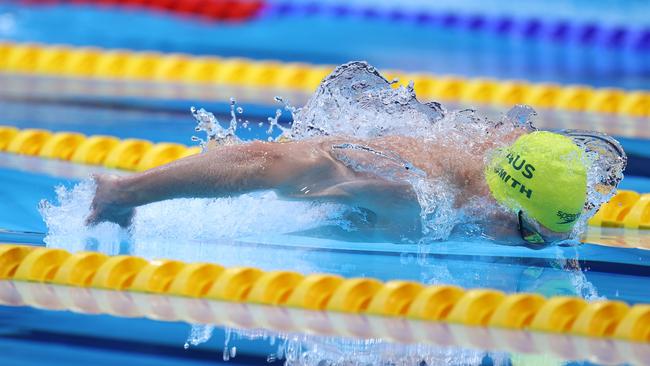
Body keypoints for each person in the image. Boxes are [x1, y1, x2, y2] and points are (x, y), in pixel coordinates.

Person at [86, 122, 624, 248]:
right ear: (504, 206)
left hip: (391, 152)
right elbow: (292, 170)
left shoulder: (503, 154)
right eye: (529, 236)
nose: (525, 247)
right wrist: (329, 195)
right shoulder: (419, 198)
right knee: (298, 167)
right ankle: (122, 191)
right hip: (375, 168)